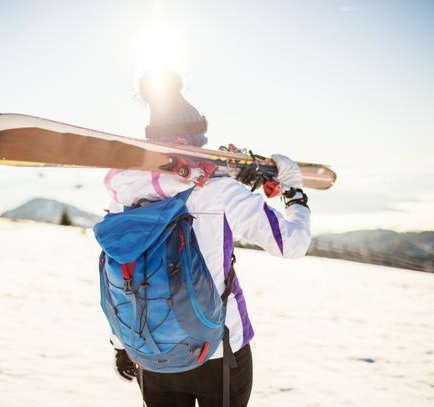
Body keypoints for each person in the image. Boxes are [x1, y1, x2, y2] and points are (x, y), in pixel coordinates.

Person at [103, 69, 311, 407]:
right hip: (218, 350)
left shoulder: (122, 192)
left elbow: (123, 271)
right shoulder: (220, 190)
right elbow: (292, 243)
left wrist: (121, 342)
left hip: (152, 351)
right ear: (198, 139)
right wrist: (295, 193)